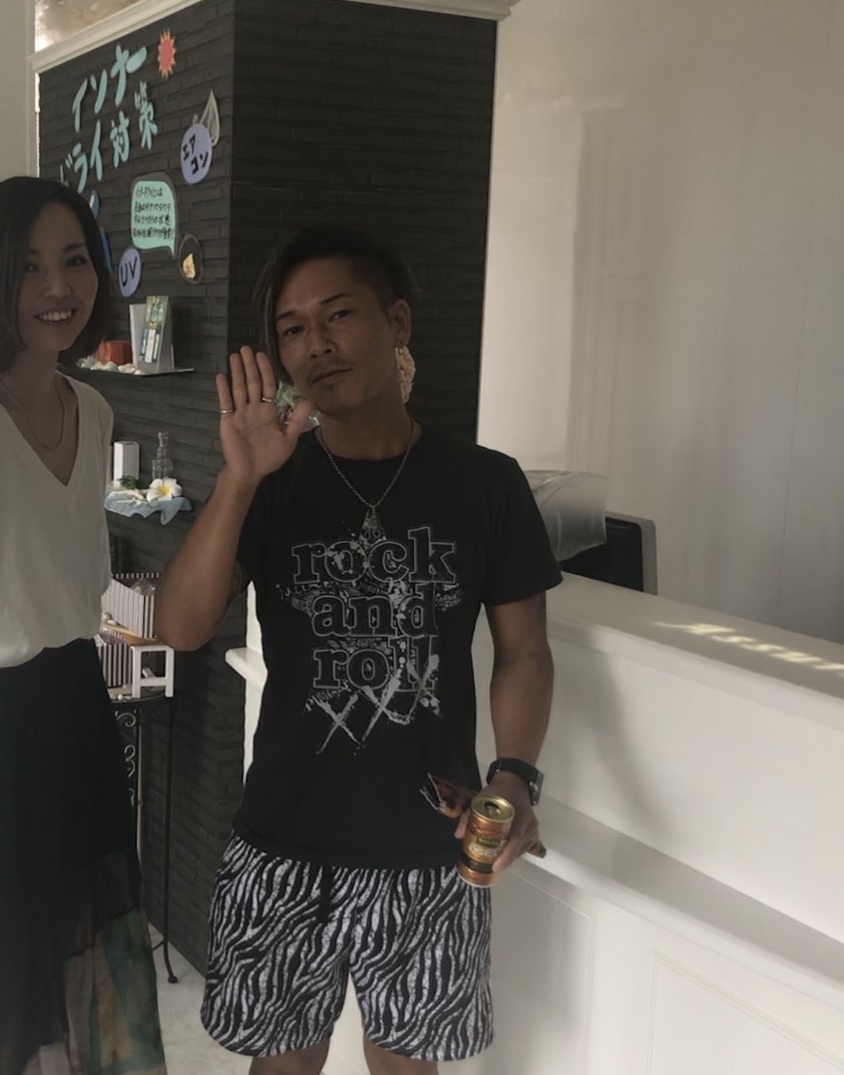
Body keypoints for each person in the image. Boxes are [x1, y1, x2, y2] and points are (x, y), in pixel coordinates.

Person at [154, 225, 560, 1074]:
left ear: (397, 322)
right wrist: (239, 478)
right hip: (282, 836)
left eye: (337, 315)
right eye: (292, 329)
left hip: (430, 847)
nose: (316, 344)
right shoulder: (271, 486)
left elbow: (523, 650)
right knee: (282, 1066)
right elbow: (181, 627)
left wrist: (516, 776)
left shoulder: (486, 483)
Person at [0, 176, 167, 1075]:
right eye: (29, 267)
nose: (58, 288)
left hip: (77, 703)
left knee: (91, 943)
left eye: (75, 261)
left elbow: (81, 579)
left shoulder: (95, 407)